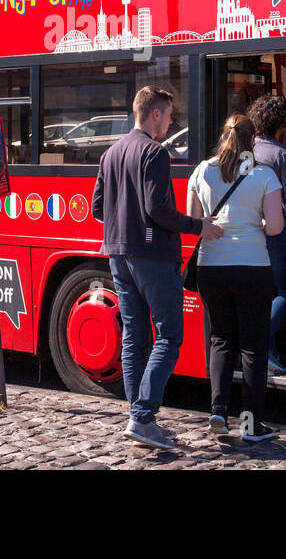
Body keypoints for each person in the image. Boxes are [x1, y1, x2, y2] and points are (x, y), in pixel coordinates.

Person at [92, 85, 222, 450]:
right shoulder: (154, 153)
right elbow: (158, 210)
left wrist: (126, 221)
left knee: (134, 336)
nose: (169, 122)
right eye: (168, 115)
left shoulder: (111, 152)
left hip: (118, 253)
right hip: (152, 256)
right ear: (154, 114)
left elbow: (98, 208)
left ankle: (138, 417)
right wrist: (200, 226)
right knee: (169, 336)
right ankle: (144, 416)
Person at [187, 114, 283, 442]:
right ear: (252, 140)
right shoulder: (264, 175)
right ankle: (252, 425)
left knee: (220, 339)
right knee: (254, 347)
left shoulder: (201, 171)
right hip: (252, 266)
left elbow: (194, 220)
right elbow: (276, 227)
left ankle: (217, 411)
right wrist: (253, 222)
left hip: (210, 267)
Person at [247, 95, 286, 375]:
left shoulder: (246, 150)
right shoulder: (282, 155)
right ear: (281, 124)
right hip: (275, 232)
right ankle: (260, 341)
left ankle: (267, 348)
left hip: (249, 230)